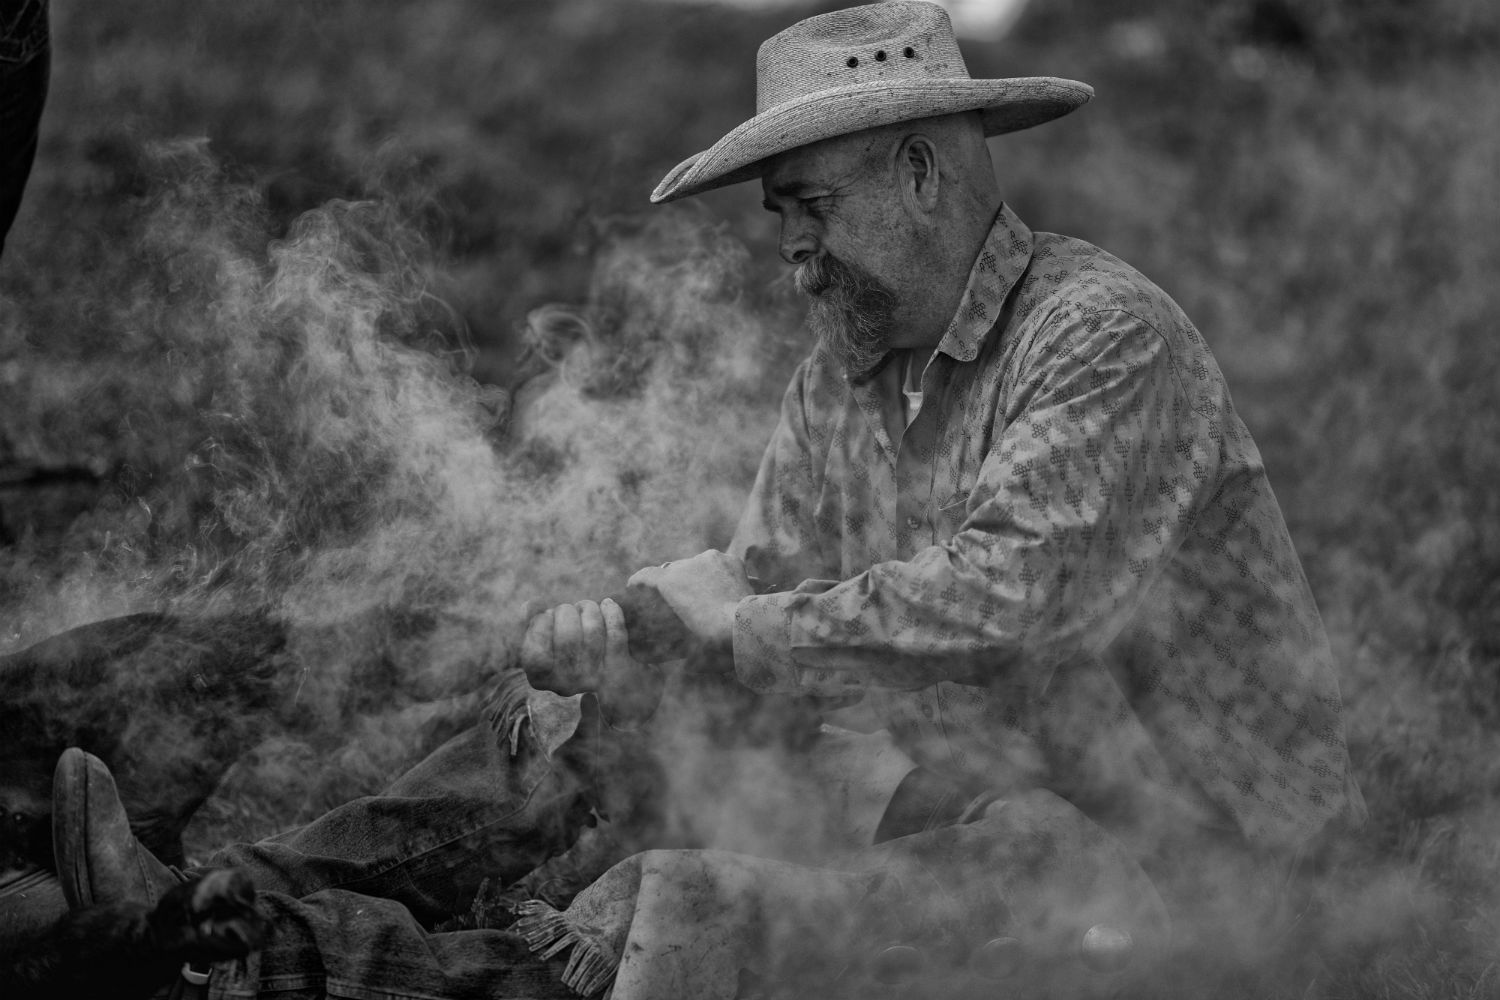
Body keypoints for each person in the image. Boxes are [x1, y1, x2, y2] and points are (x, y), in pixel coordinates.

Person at [17, 3, 1365, 998]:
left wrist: (720, 634)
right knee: (629, 705)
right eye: (779, 220)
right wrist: (625, 625)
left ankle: (268, 960)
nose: (791, 259)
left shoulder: (1102, 335)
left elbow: (1008, 602)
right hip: (997, 797)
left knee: (701, 930)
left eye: (807, 209)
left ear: (919, 172)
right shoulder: (854, 374)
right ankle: (231, 906)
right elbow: (761, 579)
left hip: (1187, 869)